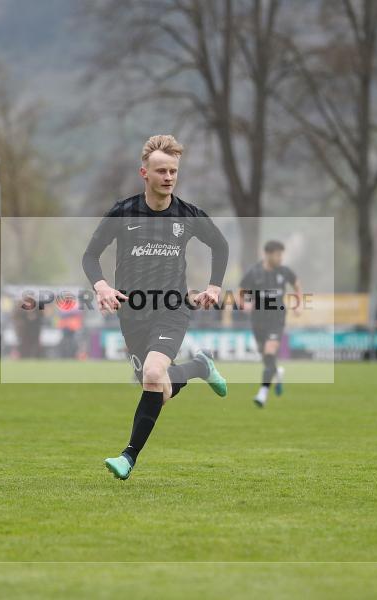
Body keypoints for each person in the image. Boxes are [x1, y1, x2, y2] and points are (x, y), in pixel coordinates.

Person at [82, 134, 230, 480]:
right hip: (131, 316)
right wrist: (101, 285)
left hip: (171, 309)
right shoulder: (123, 212)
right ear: (144, 173)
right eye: (161, 170)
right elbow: (90, 255)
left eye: (173, 171)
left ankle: (127, 458)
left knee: (152, 375)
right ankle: (198, 367)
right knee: (158, 391)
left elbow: (220, 247)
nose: (168, 177)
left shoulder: (189, 215)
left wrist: (214, 286)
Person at [239, 240, 302, 408]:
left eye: (282, 254)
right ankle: (276, 372)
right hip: (258, 320)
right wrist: (244, 303)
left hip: (277, 319)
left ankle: (262, 393)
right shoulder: (254, 273)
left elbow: (296, 285)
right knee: (267, 358)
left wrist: (299, 303)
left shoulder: (284, 271)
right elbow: (241, 291)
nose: (281, 258)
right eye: (278, 254)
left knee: (269, 352)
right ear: (267, 254)